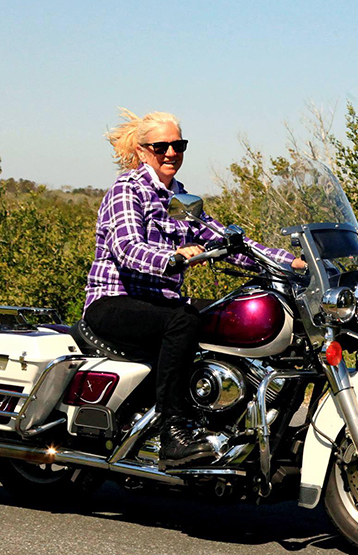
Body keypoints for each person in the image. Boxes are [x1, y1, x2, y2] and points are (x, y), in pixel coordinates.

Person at [83, 108, 304, 468]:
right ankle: (174, 433)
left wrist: (290, 262)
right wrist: (173, 256)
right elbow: (127, 249)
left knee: (233, 314)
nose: (171, 153)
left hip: (160, 304)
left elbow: (231, 244)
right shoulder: (127, 192)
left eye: (178, 144)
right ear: (141, 151)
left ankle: (235, 421)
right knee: (183, 321)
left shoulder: (182, 200)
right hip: (114, 302)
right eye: (161, 146)